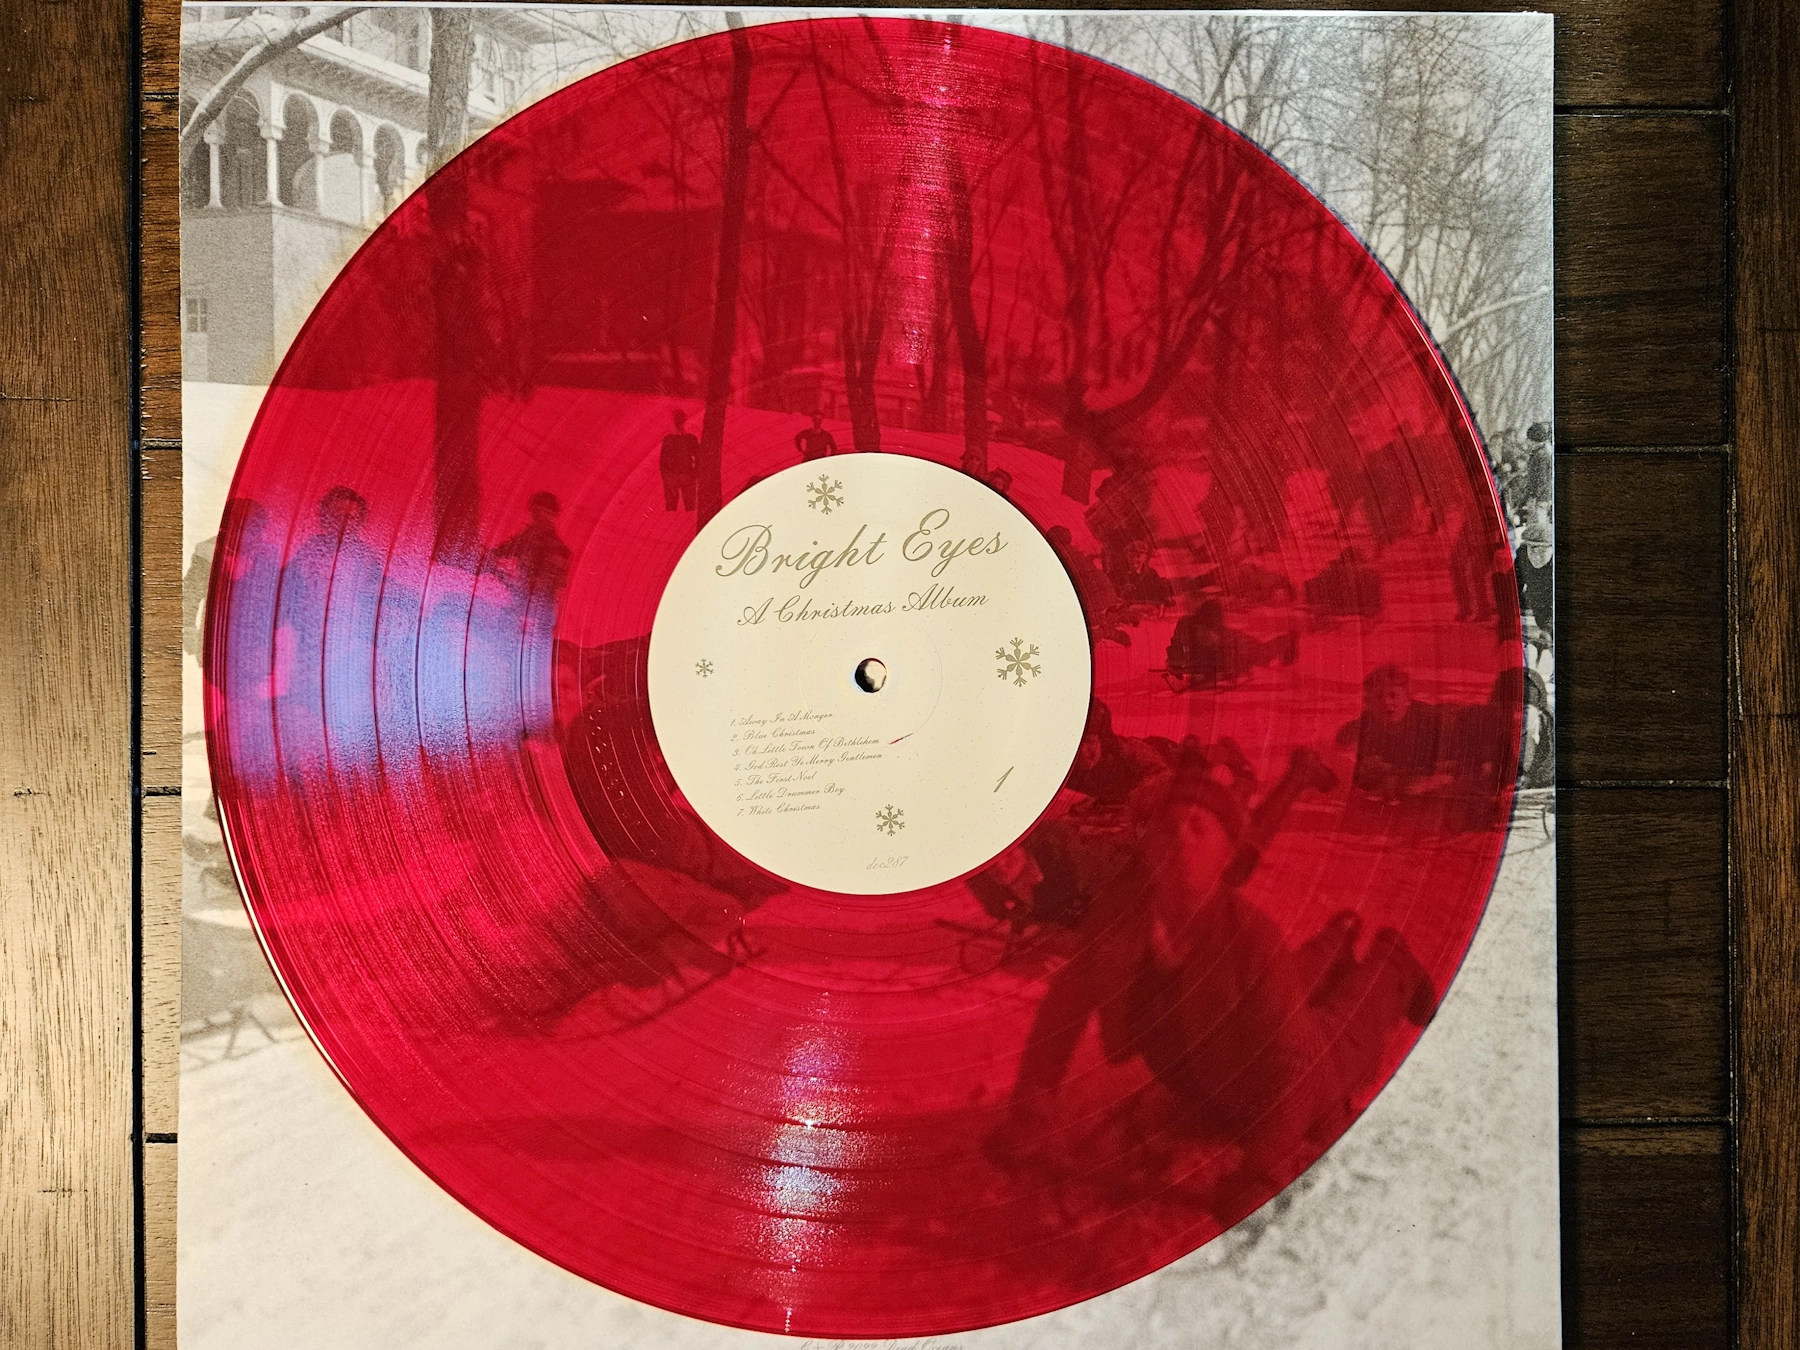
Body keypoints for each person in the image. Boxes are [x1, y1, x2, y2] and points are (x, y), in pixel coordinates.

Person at [1336, 664, 1443, 801]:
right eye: (1379, 697)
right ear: (1368, 703)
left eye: (1393, 695)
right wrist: (1360, 762)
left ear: (1407, 699)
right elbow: (1342, 748)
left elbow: (1446, 769)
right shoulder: (1359, 728)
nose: (1386, 702)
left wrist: (1430, 781)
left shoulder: (1432, 723)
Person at [490, 491, 572, 602]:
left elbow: (543, 586)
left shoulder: (558, 549)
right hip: (528, 599)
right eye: (535, 514)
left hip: (537, 602)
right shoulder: (528, 538)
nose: (536, 519)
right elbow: (506, 549)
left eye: (542, 513)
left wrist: (501, 573)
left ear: (552, 515)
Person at [1514, 520, 1553, 643]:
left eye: (1541, 549)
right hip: (1535, 597)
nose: (1536, 553)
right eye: (1532, 548)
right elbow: (1516, 581)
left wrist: (1548, 628)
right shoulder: (1522, 553)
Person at [660, 409, 700, 511]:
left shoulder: (669, 439)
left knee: (676, 506)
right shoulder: (689, 439)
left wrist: (669, 479)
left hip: (678, 477)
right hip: (683, 477)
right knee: (688, 506)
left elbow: (663, 463)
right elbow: (698, 459)